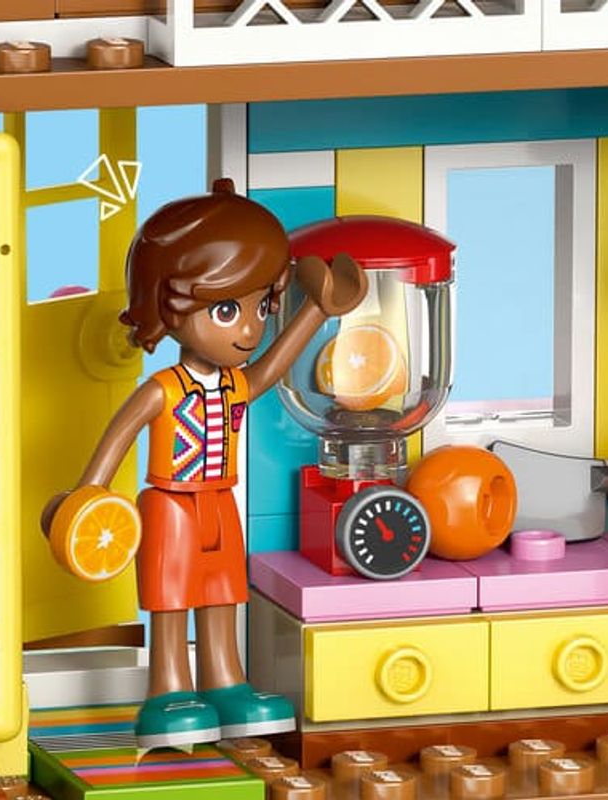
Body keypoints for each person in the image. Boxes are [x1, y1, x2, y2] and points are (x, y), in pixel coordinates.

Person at [41, 178, 367, 749]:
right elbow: (119, 436)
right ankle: (168, 690)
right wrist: (85, 495)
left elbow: (269, 369)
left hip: (220, 499)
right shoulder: (163, 389)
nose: (250, 328)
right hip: (169, 506)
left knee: (223, 593)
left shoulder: (234, 383)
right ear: (170, 307)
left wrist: (316, 310)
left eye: (261, 306)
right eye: (227, 309)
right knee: (171, 600)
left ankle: (225, 682)